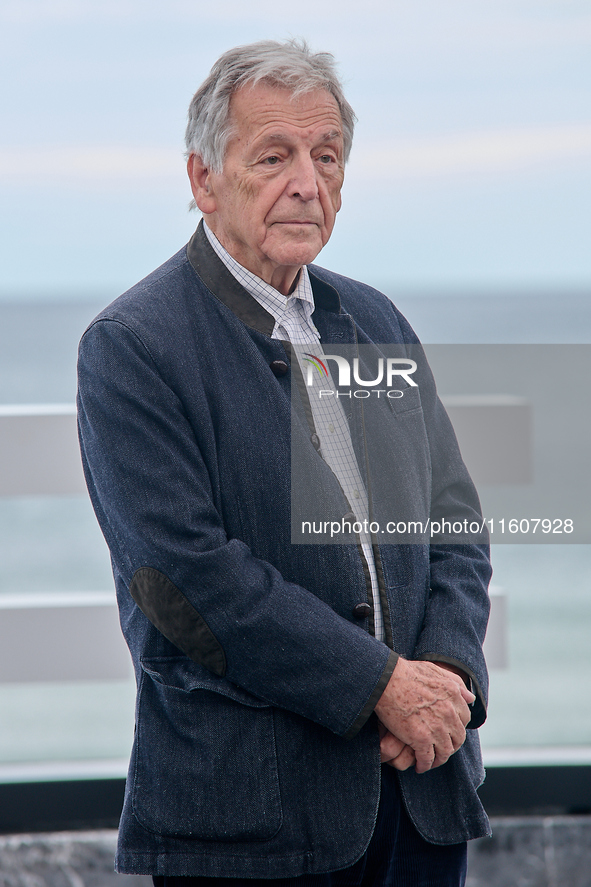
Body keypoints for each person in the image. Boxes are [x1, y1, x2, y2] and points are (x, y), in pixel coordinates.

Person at [77, 39, 491, 887]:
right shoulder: (132, 347)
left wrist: (445, 677)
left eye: (327, 155)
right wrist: (380, 684)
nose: (308, 180)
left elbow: (453, 523)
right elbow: (185, 586)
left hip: (418, 799)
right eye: (274, 156)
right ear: (203, 181)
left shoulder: (375, 321)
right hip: (251, 825)